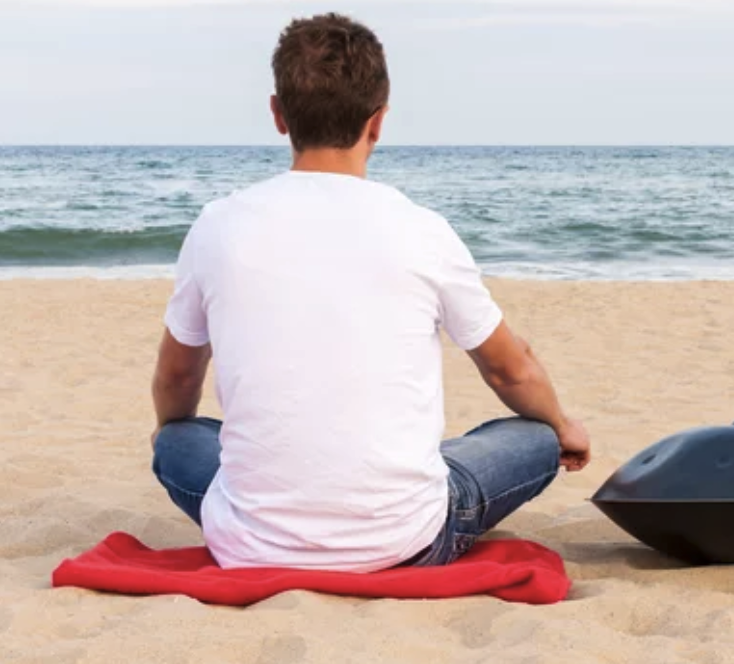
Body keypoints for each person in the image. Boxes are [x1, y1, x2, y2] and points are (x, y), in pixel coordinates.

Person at [149, 13, 591, 573]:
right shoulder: (422, 229)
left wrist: (177, 430)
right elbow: (511, 370)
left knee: (178, 439)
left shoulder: (218, 225)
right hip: (407, 541)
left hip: (250, 546)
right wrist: (563, 424)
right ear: (378, 122)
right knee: (535, 436)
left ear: (279, 115)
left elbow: (175, 379)